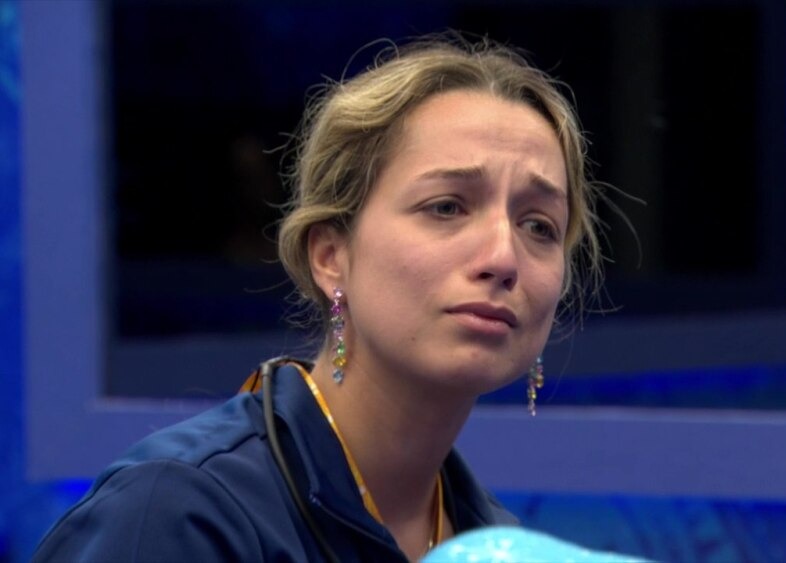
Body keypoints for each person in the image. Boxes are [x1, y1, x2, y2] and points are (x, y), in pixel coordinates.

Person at [34, 35, 606, 562]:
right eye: (447, 207)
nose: (503, 258)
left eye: (539, 226)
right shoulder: (175, 513)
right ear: (331, 255)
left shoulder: (498, 545)